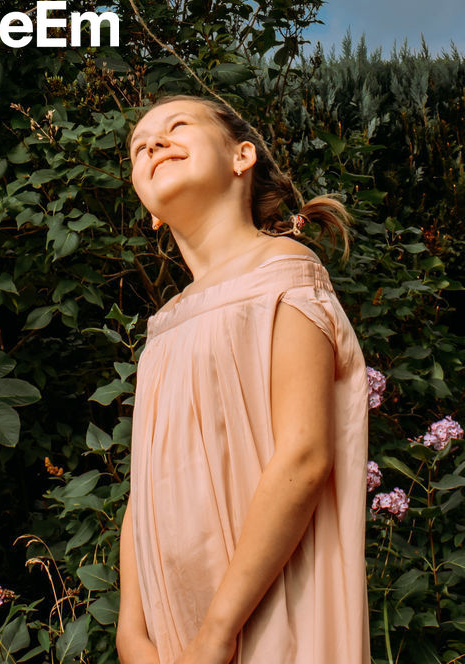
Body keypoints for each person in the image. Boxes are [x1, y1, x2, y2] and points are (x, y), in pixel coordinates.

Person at [117, 94, 370, 664]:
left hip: (258, 609)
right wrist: (131, 627)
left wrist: (218, 631)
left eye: (175, 127)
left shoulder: (284, 272)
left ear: (241, 157)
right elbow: (145, 490)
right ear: (150, 212)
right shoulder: (163, 326)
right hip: (172, 624)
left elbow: (304, 457)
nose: (152, 143)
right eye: (138, 147)